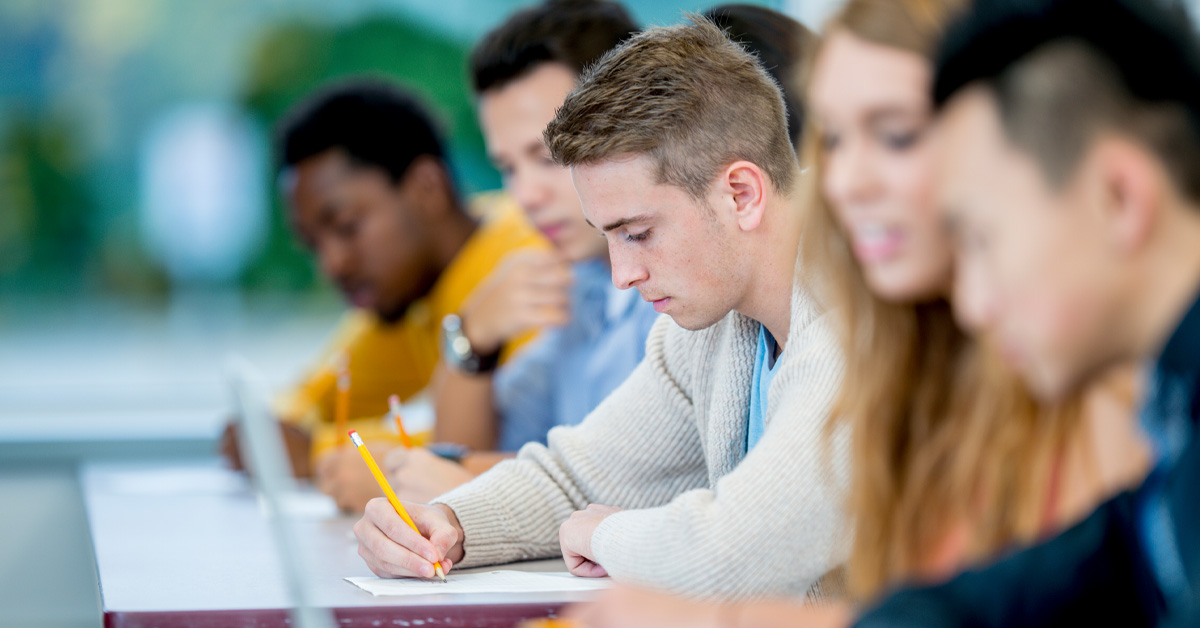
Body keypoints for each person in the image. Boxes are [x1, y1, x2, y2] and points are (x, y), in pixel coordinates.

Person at [564, 1, 1148, 626]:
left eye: (896, 135)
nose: (845, 182)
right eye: (834, 140)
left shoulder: (1099, 378)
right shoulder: (908, 346)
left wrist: (704, 609)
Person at [353, 18, 850, 601]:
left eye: (638, 233)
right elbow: (578, 475)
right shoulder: (712, 323)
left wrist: (605, 532)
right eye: (607, 237)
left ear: (740, 194)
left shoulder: (856, 317)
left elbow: (731, 553)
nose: (621, 275)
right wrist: (447, 522)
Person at [854, 0, 1200, 625]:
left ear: (1119, 199)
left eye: (982, 239)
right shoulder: (1176, 413)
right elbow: (1106, 558)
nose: (971, 306)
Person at [220, 80, 545, 509]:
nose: (331, 264)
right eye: (313, 244)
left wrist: (315, 452)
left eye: (347, 227)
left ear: (427, 188)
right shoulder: (410, 295)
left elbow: (516, 449)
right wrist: (275, 436)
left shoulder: (527, 263)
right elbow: (306, 405)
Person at [381, 0, 655, 504]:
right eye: (508, 167)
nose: (524, 195)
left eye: (547, 158)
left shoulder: (679, 293)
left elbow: (653, 479)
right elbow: (474, 446)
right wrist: (473, 338)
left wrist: (465, 472)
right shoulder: (581, 287)